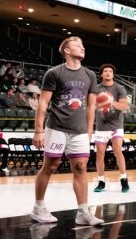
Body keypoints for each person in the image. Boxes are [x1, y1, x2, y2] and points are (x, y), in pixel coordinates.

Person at [30, 37, 103, 226]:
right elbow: (44, 102)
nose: (83, 47)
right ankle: (38, 207)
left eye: (83, 44)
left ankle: (83, 212)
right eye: (78, 45)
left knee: (80, 168)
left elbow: (91, 106)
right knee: (50, 166)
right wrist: (38, 131)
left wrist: (89, 131)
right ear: (67, 50)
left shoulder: (90, 75)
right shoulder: (54, 73)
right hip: (57, 126)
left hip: (79, 130)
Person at [92, 64, 130, 193]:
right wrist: (99, 103)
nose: (108, 73)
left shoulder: (119, 88)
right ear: (101, 74)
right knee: (100, 154)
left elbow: (124, 106)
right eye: (105, 71)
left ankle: (124, 179)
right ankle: (101, 181)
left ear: (113, 75)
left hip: (116, 125)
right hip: (101, 126)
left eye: (110, 71)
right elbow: (91, 105)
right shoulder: (96, 88)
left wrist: (110, 101)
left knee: (117, 150)